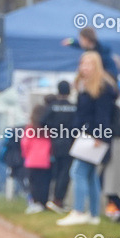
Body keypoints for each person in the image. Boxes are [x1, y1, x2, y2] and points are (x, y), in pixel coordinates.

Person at [58, 51, 117, 226]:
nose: (84, 67)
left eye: (88, 64)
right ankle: (93, 215)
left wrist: (99, 135)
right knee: (90, 175)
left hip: (94, 137)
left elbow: (103, 114)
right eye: (82, 63)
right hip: (85, 136)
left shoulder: (102, 87)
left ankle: (78, 211)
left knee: (77, 172)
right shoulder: (85, 85)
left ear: (96, 66)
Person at [40, 81, 76, 213]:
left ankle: (53, 199)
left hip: (55, 143)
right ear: (69, 91)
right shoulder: (74, 107)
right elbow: (78, 125)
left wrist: (52, 130)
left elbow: (42, 122)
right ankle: (58, 200)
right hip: (69, 143)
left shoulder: (53, 106)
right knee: (65, 173)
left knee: (56, 171)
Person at [21, 104, 52, 213]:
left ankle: (35, 203)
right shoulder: (48, 130)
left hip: (32, 161)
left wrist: (25, 155)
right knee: (44, 183)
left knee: (33, 184)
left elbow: (25, 143)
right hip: (46, 161)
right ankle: (43, 203)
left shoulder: (30, 128)